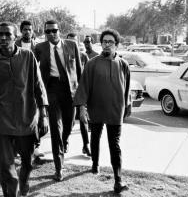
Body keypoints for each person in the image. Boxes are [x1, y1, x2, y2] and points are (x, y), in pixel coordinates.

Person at [0, 22, 49, 196]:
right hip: (2, 121)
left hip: (26, 119)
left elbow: (38, 86)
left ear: (16, 36)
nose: (3, 38)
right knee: (6, 167)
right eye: (0, 34)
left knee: (27, 163)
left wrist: (43, 115)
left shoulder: (28, 56)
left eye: (8, 34)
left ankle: (25, 182)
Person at [73, 29, 130, 194]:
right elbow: (83, 86)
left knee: (115, 145)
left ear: (116, 45)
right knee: (95, 138)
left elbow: (126, 89)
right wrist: (82, 109)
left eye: (110, 42)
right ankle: (95, 164)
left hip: (115, 110)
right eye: (104, 41)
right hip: (96, 108)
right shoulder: (92, 63)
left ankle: (118, 180)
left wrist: (126, 107)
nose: (107, 44)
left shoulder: (123, 64)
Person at [35, 20, 82, 181]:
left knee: (68, 125)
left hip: (70, 90)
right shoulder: (40, 48)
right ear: (45, 33)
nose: (51, 34)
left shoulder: (71, 45)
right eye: (48, 32)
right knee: (56, 129)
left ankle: (66, 139)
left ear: (59, 31)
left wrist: (81, 95)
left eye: (54, 31)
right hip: (52, 89)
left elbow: (79, 70)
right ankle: (59, 167)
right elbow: (33, 70)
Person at [15, 20, 44, 160]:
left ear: (33, 31)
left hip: (33, 86)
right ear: (21, 31)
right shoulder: (14, 45)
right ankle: (17, 148)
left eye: (30, 29)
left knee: (35, 117)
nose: (27, 31)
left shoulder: (37, 47)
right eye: (25, 29)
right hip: (18, 86)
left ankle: (36, 147)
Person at [66, 33, 91, 157]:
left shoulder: (83, 56)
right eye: (69, 41)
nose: (71, 44)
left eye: (74, 42)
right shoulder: (62, 55)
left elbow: (87, 75)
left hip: (81, 92)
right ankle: (65, 141)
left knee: (83, 119)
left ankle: (86, 145)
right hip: (68, 93)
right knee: (69, 121)